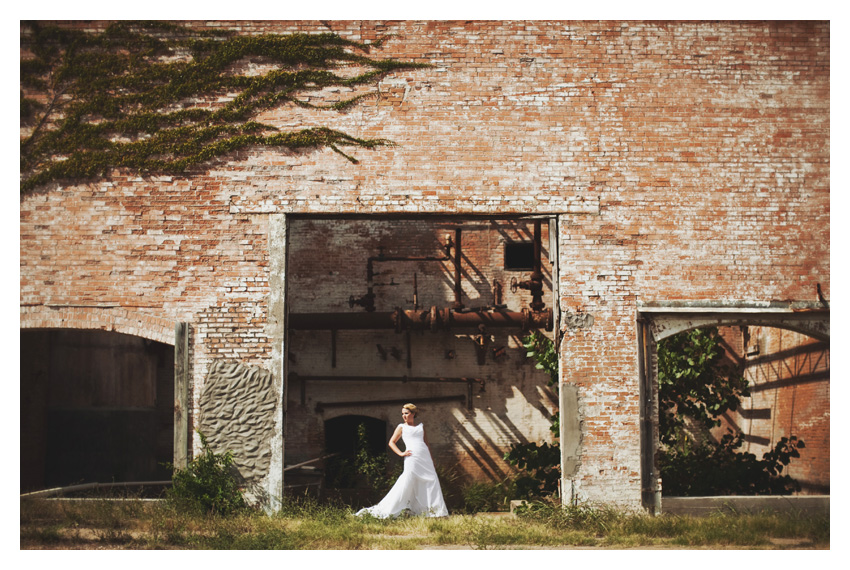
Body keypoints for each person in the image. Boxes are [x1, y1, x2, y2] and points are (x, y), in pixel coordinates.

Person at [355, 403, 449, 518]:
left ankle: (435, 512)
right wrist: (401, 453)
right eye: (402, 414)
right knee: (408, 480)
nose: (404, 416)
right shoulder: (401, 427)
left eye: (406, 413)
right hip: (412, 458)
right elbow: (391, 442)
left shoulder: (421, 427)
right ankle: (395, 508)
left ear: (413, 414)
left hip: (425, 459)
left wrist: (432, 459)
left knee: (432, 481)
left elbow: (426, 444)